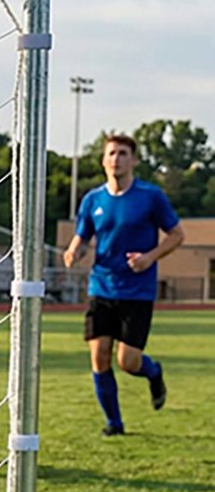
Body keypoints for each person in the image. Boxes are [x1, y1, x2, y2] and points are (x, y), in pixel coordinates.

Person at [62, 133, 184, 436]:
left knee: (128, 361)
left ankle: (153, 373)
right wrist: (73, 251)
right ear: (103, 160)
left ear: (134, 160)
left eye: (123, 153)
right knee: (99, 355)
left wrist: (149, 257)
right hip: (101, 287)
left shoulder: (150, 196)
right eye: (112, 153)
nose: (116, 159)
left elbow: (177, 234)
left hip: (137, 291)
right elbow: (82, 236)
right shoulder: (93, 200)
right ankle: (114, 424)